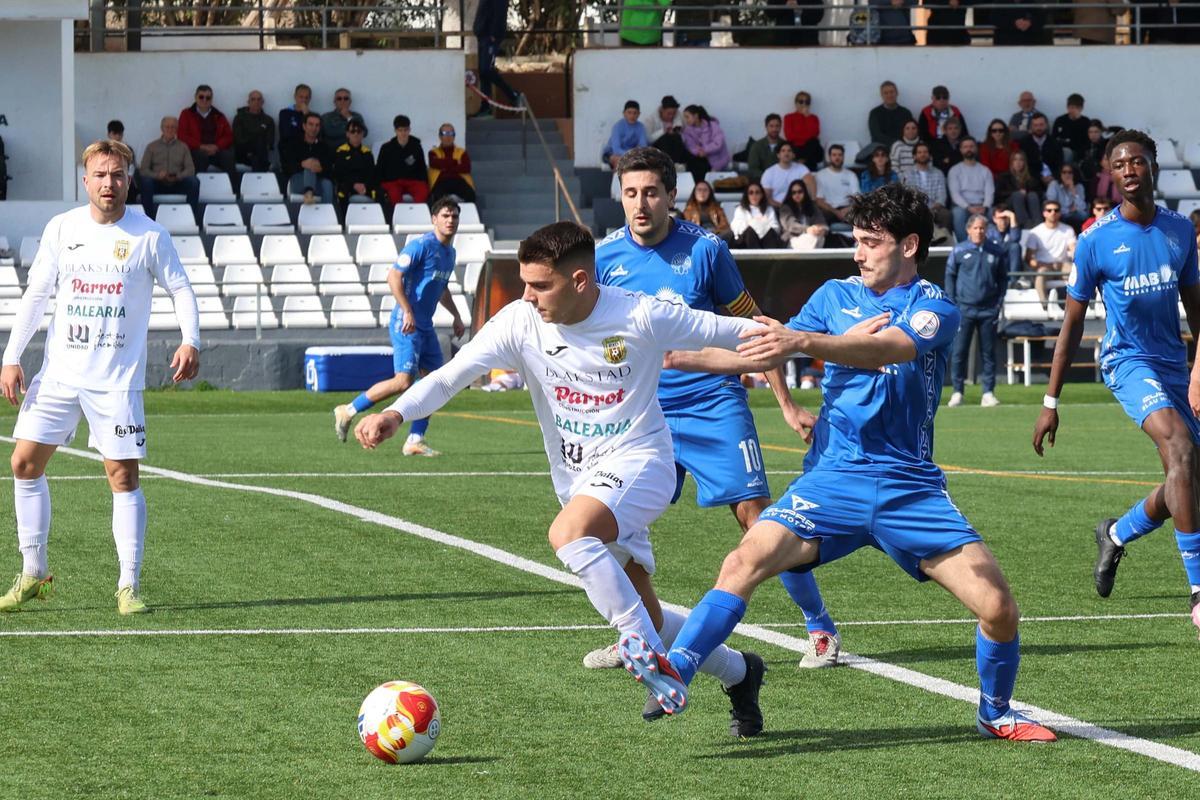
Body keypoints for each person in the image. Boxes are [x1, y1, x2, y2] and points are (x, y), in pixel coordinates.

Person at [620, 182, 1056, 743]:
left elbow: (887, 349)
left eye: (872, 242)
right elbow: (762, 347)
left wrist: (804, 342)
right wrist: (671, 354)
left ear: (909, 245)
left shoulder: (934, 307)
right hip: (834, 478)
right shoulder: (832, 297)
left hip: (910, 488)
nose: (858, 253)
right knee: (742, 562)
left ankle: (995, 712)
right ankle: (677, 669)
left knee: (998, 607)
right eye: (857, 241)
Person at [354, 220, 769, 735]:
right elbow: (451, 375)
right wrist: (397, 414)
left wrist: (826, 340)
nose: (527, 295)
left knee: (568, 535)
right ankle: (741, 672)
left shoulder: (637, 313)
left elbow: (737, 330)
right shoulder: (519, 322)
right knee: (654, 614)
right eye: (524, 283)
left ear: (579, 281)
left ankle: (641, 651)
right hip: (579, 479)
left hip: (642, 462)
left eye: (539, 285)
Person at [593, 146, 842, 672]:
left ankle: (819, 628)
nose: (640, 204)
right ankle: (635, 632)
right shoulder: (604, 258)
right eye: (631, 193)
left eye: (651, 193)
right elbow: (602, 340)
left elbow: (758, 331)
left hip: (712, 403)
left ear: (671, 195)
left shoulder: (706, 251)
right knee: (613, 522)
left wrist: (787, 405)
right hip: (642, 413)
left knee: (760, 521)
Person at [0, 139, 200, 616]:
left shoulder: (149, 236)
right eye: (100, 175)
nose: (109, 183)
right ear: (85, 180)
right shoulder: (62, 228)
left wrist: (190, 339)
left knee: (122, 477)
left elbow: (181, 289)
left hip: (115, 379)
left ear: (128, 179)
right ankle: (34, 575)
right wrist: (11, 356)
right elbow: (36, 296)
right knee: (24, 464)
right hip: (59, 375)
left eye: (117, 175)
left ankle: (127, 586)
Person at [1032, 130, 1200, 636]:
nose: (1129, 170)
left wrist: (1197, 370)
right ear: (1112, 173)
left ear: (1153, 168)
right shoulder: (1096, 239)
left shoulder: (1180, 232)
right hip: (1128, 363)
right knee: (1179, 445)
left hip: (1173, 362)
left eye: (1138, 161)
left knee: (1187, 477)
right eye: (1120, 163)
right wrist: (1050, 400)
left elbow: (1197, 308)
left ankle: (1117, 532)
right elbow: (1073, 325)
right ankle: (1198, 592)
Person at [334, 197, 465, 454]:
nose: (450, 221)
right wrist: (406, 310)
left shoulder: (450, 253)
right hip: (406, 322)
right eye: (446, 216)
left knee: (435, 383)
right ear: (434, 219)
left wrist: (456, 315)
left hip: (425, 325)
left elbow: (441, 288)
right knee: (403, 381)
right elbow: (393, 276)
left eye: (455, 217)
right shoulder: (420, 246)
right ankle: (347, 410)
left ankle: (415, 440)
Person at [945, 214, 1007, 408]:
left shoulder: (996, 251)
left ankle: (988, 392)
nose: (980, 231)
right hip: (964, 309)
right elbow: (950, 277)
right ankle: (957, 392)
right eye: (976, 228)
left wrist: (998, 304)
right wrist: (953, 303)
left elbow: (1003, 280)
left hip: (989, 310)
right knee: (959, 352)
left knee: (988, 353)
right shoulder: (959, 250)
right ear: (968, 229)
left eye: (983, 228)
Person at [138, 116, 199, 217]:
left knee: (194, 182)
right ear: (162, 128)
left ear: (177, 129)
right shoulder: (152, 146)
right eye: (167, 127)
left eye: (173, 127)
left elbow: (190, 169)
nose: (170, 130)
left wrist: (179, 176)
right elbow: (143, 170)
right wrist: (157, 175)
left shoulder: (183, 147)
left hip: (178, 182)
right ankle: (148, 219)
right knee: (146, 182)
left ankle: (192, 218)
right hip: (158, 183)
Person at [472, 0, 522, 119]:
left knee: (486, 69)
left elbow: (500, 12)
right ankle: (485, 107)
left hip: (490, 36)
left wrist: (494, 34)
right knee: (483, 73)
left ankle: (513, 94)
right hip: (483, 35)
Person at [1024, 200, 1077, 308]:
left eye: (1056, 210)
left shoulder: (1068, 229)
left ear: (1060, 213)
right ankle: (1045, 305)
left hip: (1062, 265)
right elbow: (1029, 258)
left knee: (1077, 272)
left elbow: (1073, 249)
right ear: (1044, 213)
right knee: (1040, 276)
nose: (1053, 213)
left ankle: (1081, 304)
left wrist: (1076, 259)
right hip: (1044, 266)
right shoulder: (1035, 232)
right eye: (1049, 210)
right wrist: (1040, 265)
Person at [177, 84, 236, 179]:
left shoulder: (219, 115)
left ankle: (234, 191)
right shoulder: (186, 114)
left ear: (211, 99)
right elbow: (182, 135)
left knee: (228, 156)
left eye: (208, 97)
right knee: (201, 157)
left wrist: (217, 146)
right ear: (195, 97)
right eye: (201, 97)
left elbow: (228, 135)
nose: (204, 100)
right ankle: (198, 189)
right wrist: (201, 146)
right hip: (196, 151)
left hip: (215, 150)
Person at [280, 112, 334, 206]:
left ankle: (327, 212)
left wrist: (321, 169)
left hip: (318, 183)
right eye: (311, 124)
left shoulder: (325, 147)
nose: (314, 128)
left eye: (317, 125)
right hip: (297, 181)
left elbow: (330, 170)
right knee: (309, 165)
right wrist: (302, 164)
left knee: (327, 183)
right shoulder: (293, 144)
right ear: (304, 126)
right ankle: (309, 193)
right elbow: (286, 167)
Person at [948, 137, 994, 242]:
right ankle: (964, 246)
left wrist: (985, 207)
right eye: (965, 147)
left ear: (976, 149)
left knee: (993, 213)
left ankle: (991, 245)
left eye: (971, 146)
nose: (969, 149)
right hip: (962, 206)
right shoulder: (954, 170)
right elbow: (955, 194)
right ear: (961, 150)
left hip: (982, 205)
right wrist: (968, 207)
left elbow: (989, 192)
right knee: (958, 214)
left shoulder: (985, 170)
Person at [377, 114, 429, 206]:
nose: (403, 133)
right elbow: (380, 168)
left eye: (405, 130)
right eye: (400, 130)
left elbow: (422, 167)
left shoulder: (416, 147)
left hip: (413, 181)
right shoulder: (386, 148)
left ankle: (417, 215)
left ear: (409, 130)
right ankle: (398, 218)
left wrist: (424, 182)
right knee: (394, 194)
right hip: (394, 182)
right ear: (395, 131)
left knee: (423, 191)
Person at [333, 120, 382, 218]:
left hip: (365, 186)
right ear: (347, 134)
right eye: (353, 131)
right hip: (348, 185)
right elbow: (339, 173)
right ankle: (344, 224)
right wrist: (353, 185)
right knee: (341, 193)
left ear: (363, 134)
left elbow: (372, 173)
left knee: (381, 193)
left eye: (359, 131)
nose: (356, 134)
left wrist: (365, 186)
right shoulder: (340, 151)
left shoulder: (367, 152)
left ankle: (379, 223)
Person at [902, 141, 953, 233]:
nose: (923, 155)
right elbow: (907, 196)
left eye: (925, 152)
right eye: (919, 152)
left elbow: (942, 196)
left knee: (946, 215)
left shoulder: (938, 173)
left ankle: (944, 241)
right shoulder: (907, 174)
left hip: (935, 208)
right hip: (916, 208)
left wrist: (932, 208)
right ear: (914, 156)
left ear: (929, 155)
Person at [681, 104, 730, 186]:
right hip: (701, 159)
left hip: (718, 159)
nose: (686, 120)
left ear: (696, 116)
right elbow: (690, 146)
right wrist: (698, 152)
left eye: (687, 117)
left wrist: (705, 150)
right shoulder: (687, 131)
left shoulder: (712, 126)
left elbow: (718, 143)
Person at [427, 123, 476, 204]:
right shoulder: (433, 152)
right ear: (440, 136)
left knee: (471, 196)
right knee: (435, 198)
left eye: (451, 133)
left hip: (459, 180)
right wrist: (455, 162)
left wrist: (444, 166)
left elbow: (466, 167)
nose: (448, 136)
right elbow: (434, 163)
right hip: (440, 181)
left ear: (454, 136)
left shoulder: (462, 152)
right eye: (445, 133)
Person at [994, 149, 1042, 230]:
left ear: (1024, 163)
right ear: (1011, 162)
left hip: (1027, 201)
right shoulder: (1004, 176)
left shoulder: (1031, 178)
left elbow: (1039, 192)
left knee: (1032, 195)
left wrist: (1026, 193)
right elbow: (998, 194)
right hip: (1009, 202)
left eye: (1021, 160)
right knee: (1017, 195)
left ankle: (1038, 224)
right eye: (1015, 159)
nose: (1018, 162)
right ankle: (1025, 224)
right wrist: (1016, 192)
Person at [814, 144, 860, 227]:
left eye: (840, 155)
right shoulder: (820, 175)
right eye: (834, 155)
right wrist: (836, 212)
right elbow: (819, 200)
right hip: (829, 210)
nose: (837, 158)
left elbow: (857, 198)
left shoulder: (851, 175)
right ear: (829, 157)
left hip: (848, 209)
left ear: (843, 157)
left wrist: (848, 209)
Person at [232, 89, 275, 173]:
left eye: (259, 99)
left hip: (260, 154)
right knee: (258, 142)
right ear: (248, 102)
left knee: (258, 152)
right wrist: (258, 133)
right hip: (243, 153)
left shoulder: (268, 120)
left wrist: (252, 136)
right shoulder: (239, 118)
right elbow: (238, 139)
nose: (256, 102)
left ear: (263, 102)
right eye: (253, 99)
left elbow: (270, 142)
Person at [761, 141, 815, 207]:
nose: (786, 153)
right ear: (778, 155)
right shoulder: (769, 172)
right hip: (777, 207)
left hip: (799, 207)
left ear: (793, 155)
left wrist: (811, 202)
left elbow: (810, 183)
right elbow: (767, 198)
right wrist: (782, 207)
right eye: (783, 151)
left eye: (789, 151)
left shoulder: (801, 168)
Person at [778, 179, 828, 251]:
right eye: (793, 193)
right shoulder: (785, 207)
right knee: (812, 239)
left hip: (812, 237)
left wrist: (822, 229)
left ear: (805, 192)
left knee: (819, 237)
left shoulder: (812, 206)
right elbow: (791, 225)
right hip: (792, 239)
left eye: (800, 191)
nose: (797, 195)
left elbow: (821, 222)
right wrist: (807, 229)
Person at [730, 183, 784, 248]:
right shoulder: (740, 209)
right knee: (750, 231)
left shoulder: (769, 209)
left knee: (769, 232)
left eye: (757, 192)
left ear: (761, 195)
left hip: (766, 240)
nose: (754, 195)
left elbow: (775, 228)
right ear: (747, 195)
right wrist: (754, 222)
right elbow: (737, 228)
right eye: (751, 192)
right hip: (746, 241)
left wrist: (761, 225)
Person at [868, 80, 915, 149]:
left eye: (892, 92)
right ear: (881, 95)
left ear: (897, 93)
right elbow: (876, 135)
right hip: (881, 151)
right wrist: (896, 143)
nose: (889, 95)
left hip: (903, 149)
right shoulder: (875, 113)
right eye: (886, 93)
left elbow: (910, 132)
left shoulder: (906, 112)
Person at [1020, 113, 1064, 187]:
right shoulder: (1024, 143)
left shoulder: (1055, 142)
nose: (1038, 128)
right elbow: (1024, 164)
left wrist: (1052, 177)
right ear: (1031, 127)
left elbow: (1059, 163)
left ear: (1046, 125)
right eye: (1035, 125)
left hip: (1052, 178)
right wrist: (1040, 177)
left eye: (1041, 125)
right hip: (1032, 178)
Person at [604, 100, 650, 170]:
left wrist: (633, 156)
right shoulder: (618, 127)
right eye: (629, 113)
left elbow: (643, 146)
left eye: (635, 113)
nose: (632, 116)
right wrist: (631, 155)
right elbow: (616, 149)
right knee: (620, 161)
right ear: (624, 113)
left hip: (632, 155)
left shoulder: (641, 127)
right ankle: (617, 180)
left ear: (639, 114)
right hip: (611, 153)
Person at [783, 91, 823, 169]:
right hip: (796, 148)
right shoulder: (789, 117)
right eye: (801, 101)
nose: (804, 104)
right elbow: (789, 136)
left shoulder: (813, 118)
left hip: (810, 148)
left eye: (807, 102)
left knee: (813, 142)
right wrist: (807, 135)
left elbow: (815, 134)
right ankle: (804, 162)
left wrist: (807, 117)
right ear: (796, 103)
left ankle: (802, 161)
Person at [646, 95, 689, 165]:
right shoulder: (651, 119)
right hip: (658, 149)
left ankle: (677, 165)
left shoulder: (680, 117)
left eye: (674, 113)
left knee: (676, 137)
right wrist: (663, 131)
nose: (671, 116)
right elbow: (648, 139)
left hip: (677, 148)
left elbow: (688, 136)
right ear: (662, 110)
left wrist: (678, 132)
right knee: (666, 138)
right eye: (669, 113)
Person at [1046, 164, 1087, 231]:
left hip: (1074, 214)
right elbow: (1051, 204)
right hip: (1059, 213)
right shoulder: (1054, 185)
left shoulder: (1079, 186)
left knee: (1084, 215)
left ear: (1074, 174)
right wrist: (1068, 210)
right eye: (1064, 172)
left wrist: (1073, 190)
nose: (1067, 175)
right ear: (1060, 174)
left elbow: (1082, 207)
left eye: (1070, 172)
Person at [987, 204, 1024, 278]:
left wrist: (1012, 216)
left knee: (1015, 246)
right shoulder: (989, 231)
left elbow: (1015, 239)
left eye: (1006, 218)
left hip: (1008, 264)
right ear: (994, 219)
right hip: (994, 265)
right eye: (1000, 218)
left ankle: (1014, 280)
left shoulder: (1012, 229)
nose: (1003, 221)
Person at [747, 113, 785, 183]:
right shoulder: (756, 146)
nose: (774, 129)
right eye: (771, 126)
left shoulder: (785, 146)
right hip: (761, 183)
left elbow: (790, 166)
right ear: (766, 127)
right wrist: (768, 177)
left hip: (783, 182)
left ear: (780, 127)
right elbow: (752, 169)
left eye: (777, 126)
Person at [1051, 94, 1091, 160]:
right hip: (1061, 151)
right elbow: (1054, 138)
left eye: (1076, 108)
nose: (1073, 110)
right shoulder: (1060, 120)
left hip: (1079, 152)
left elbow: (1087, 142)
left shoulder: (1086, 122)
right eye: (1071, 107)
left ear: (1081, 108)